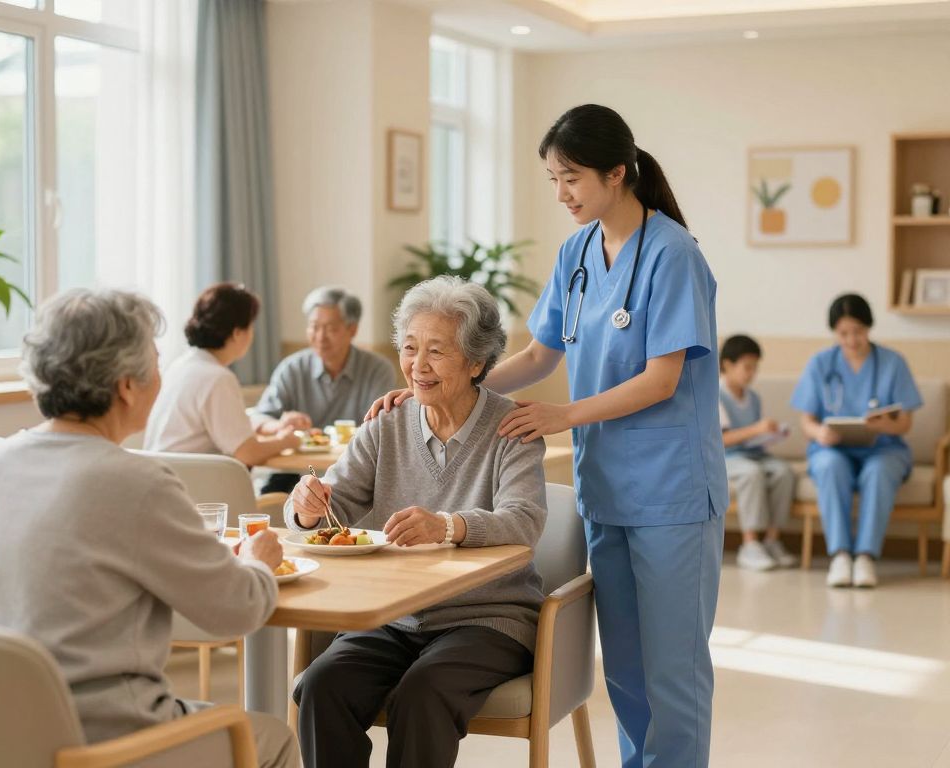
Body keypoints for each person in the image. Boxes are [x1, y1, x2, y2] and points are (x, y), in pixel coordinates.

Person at [368, 104, 727, 768]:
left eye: (571, 178)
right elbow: (538, 356)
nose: (561, 194)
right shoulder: (578, 252)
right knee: (623, 663)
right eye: (553, 180)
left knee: (672, 670)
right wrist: (442, 387)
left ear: (616, 173)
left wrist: (563, 416)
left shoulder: (673, 253)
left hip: (673, 492)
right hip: (608, 488)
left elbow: (662, 380)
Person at [0, 289, 298, 768]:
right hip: (101, 741)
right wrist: (257, 562)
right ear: (125, 386)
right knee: (273, 736)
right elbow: (237, 609)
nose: (160, 378)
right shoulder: (135, 480)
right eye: (155, 364)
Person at [287, 276, 547, 768]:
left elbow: (525, 520)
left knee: (422, 695)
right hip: (393, 615)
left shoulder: (513, 428)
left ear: (476, 362)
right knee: (321, 686)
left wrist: (447, 526)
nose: (417, 366)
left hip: (487, 619)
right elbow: (332, 502)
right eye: (409, 348)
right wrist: (304, 506)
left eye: (436, 352)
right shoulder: (386, 422)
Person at [791, 293, 921, 588]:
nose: (851, 340)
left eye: (858, 332)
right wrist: (819, 432)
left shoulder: (893, 362)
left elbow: (906, 423)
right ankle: (840, 555)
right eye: (844, 333)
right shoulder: (821, 363)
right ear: (835, 332)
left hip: (884, 448)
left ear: (869, 327)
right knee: (828, 466)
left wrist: (886, 425)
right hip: (833, 448)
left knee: (879, 471)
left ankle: (865, 557)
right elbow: (806, 420)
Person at [256, 286, 396, 492]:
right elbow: (258, 417)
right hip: (294, 474)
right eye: (314, 326)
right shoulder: (292, 368)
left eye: (330, 328)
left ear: (352, 330)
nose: (320, 336)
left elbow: (379, 429)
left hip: (353, 472)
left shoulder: (378, 369)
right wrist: (279, 425)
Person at [144, 282, 301, 465]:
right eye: (250, 326)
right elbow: (248, 453)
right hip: (197, 487)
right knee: (285, 494)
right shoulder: (217, 378)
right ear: (237, 333)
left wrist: (268, 427)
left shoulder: (181, 366)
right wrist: (287, 441)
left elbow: (222, 423)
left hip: (165, 476)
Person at [719, 334, 798, 571]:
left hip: (753, 453)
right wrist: (756, 428)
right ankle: (750, 543)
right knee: (751, 474)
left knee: (784, 472)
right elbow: (720, 439)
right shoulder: (715, 395)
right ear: (727, 365)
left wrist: (769, 435)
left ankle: (772, 540)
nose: (752, 373)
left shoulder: (752, 397)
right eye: (747, 367)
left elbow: (752, 437)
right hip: (727, 458)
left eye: (755, 368)